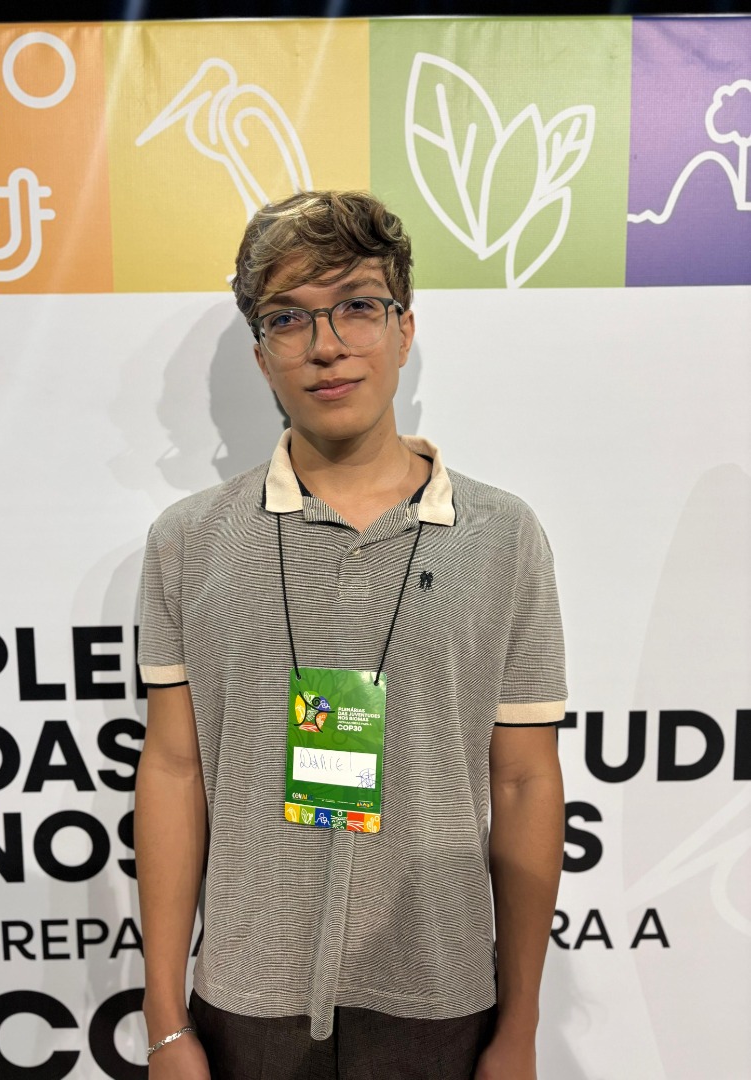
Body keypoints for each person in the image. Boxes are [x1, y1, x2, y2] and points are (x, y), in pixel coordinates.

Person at [135, 190, 567, 1080]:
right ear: (262, 355)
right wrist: (166, 1022)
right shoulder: (190, 540)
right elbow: (174, 771)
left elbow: (525, 781)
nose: (325, 344)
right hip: (247, 999)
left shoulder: (503, 536)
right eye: (288, 317)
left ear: (404, 330)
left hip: (438, 996)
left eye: (357, 307)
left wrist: (521, 1026)